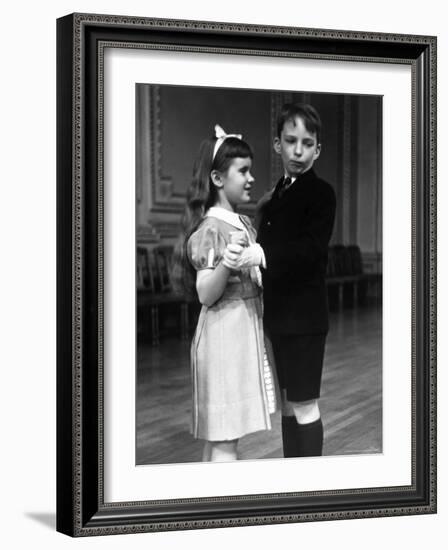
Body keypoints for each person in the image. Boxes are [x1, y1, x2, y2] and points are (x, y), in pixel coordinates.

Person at [173, 125, 277, 462]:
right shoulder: (211, 229)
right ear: (218, 179)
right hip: (222, 338)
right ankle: (225, 509)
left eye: (250, 170)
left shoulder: (242, 224)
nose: (250, 178)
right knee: (224, 440)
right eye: (243, 171)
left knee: (223, 438)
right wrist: (227, 264)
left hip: (242, 333)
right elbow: (206, 293)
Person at [257, 103, 336, 458]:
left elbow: (310, 251)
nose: (299, 151)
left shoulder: (321, 194)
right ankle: (294, 480)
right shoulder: (275, 195)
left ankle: (311, 488)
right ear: (278, 145)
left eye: (307, 143)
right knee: (287, 405)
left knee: (304, 406)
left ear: (317, 149)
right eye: (291, 141)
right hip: (277, 318)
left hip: (304, 320)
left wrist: (263, 255)